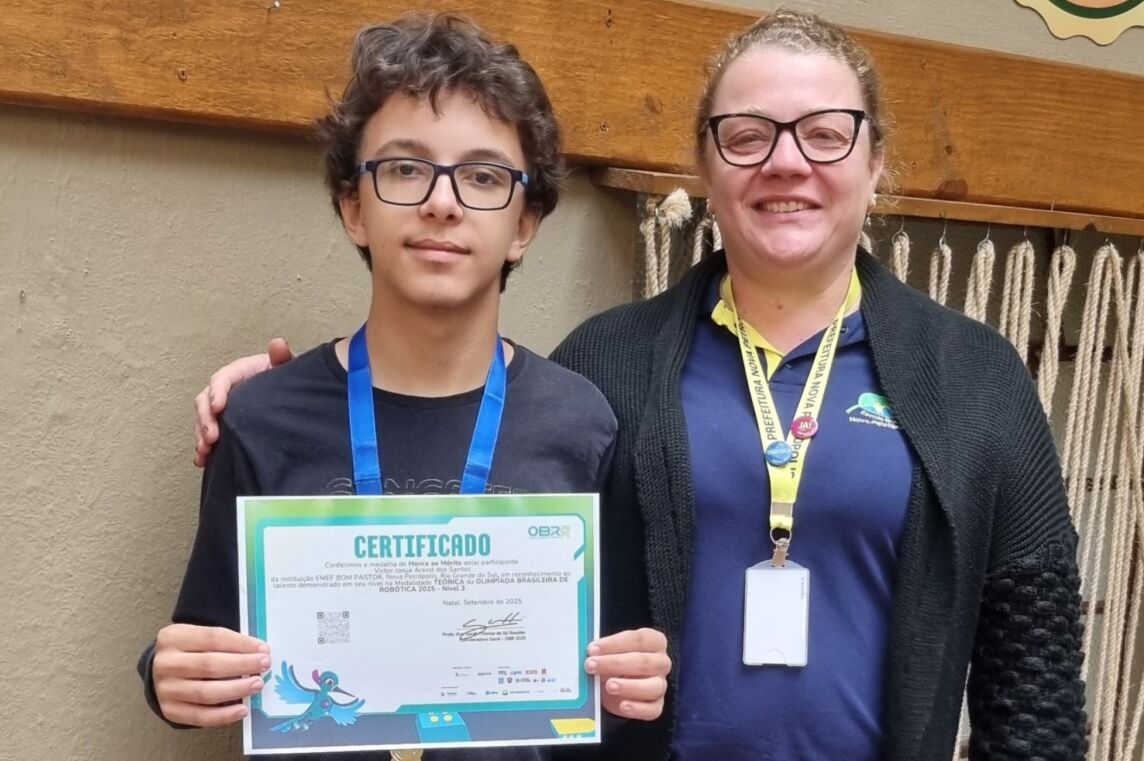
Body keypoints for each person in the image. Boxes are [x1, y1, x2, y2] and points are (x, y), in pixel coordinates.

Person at [194, 9, 1087, 761]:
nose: (785, 162)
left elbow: (1036, 682)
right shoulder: (608, 363)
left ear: (874, 160)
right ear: (706, 164)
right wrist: (281, 401)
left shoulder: (977, 378)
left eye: (825, 133)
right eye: (747, 135)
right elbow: (483, 450)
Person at [140, 13, 670, 761]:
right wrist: (165, 677)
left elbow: (608, 694)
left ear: (524, 224)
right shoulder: (262, 419)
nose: (442, 202)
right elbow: (207, 644)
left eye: (483, 176)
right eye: (405, 168)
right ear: (353, 206)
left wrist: (636, 686)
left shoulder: (581, 421)